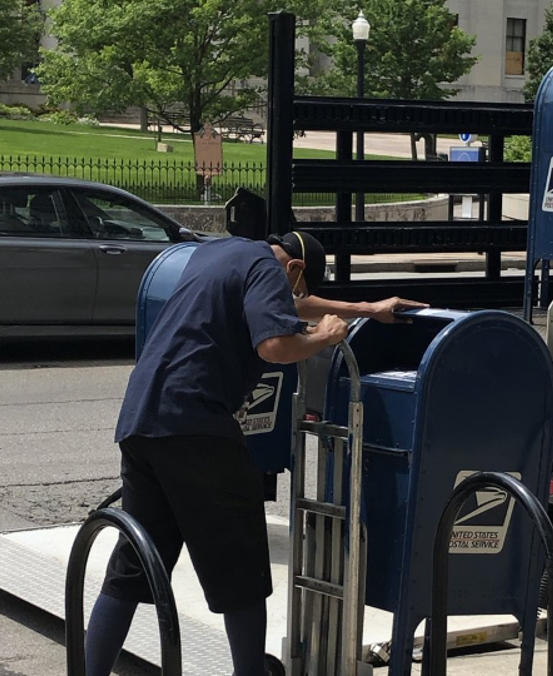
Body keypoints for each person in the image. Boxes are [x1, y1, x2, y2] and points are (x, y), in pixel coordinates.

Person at [85, 229, 426, 676]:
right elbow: (275, 344)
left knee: (135, 563)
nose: (292, 298)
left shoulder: (222, 252)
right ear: (295, 269)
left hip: (143, 419)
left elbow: (288, 307)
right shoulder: (268, 270)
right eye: (296, 288)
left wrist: (364, 310)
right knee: (242, 565)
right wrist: (324, 337)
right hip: (196, 424)